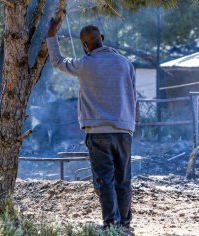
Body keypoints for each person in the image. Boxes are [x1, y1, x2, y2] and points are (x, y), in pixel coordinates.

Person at [46, 19, 136, 230]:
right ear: (102, 39)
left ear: (85, 46)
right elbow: (134, 97)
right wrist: (131, 126)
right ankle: (124, 223)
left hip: (97, 133)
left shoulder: (84, 64)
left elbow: (58, 61)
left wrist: (51, 34)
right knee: (123, 179)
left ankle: (110, 223)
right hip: (124, 131)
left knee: (104, 180)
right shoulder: (126, 63)